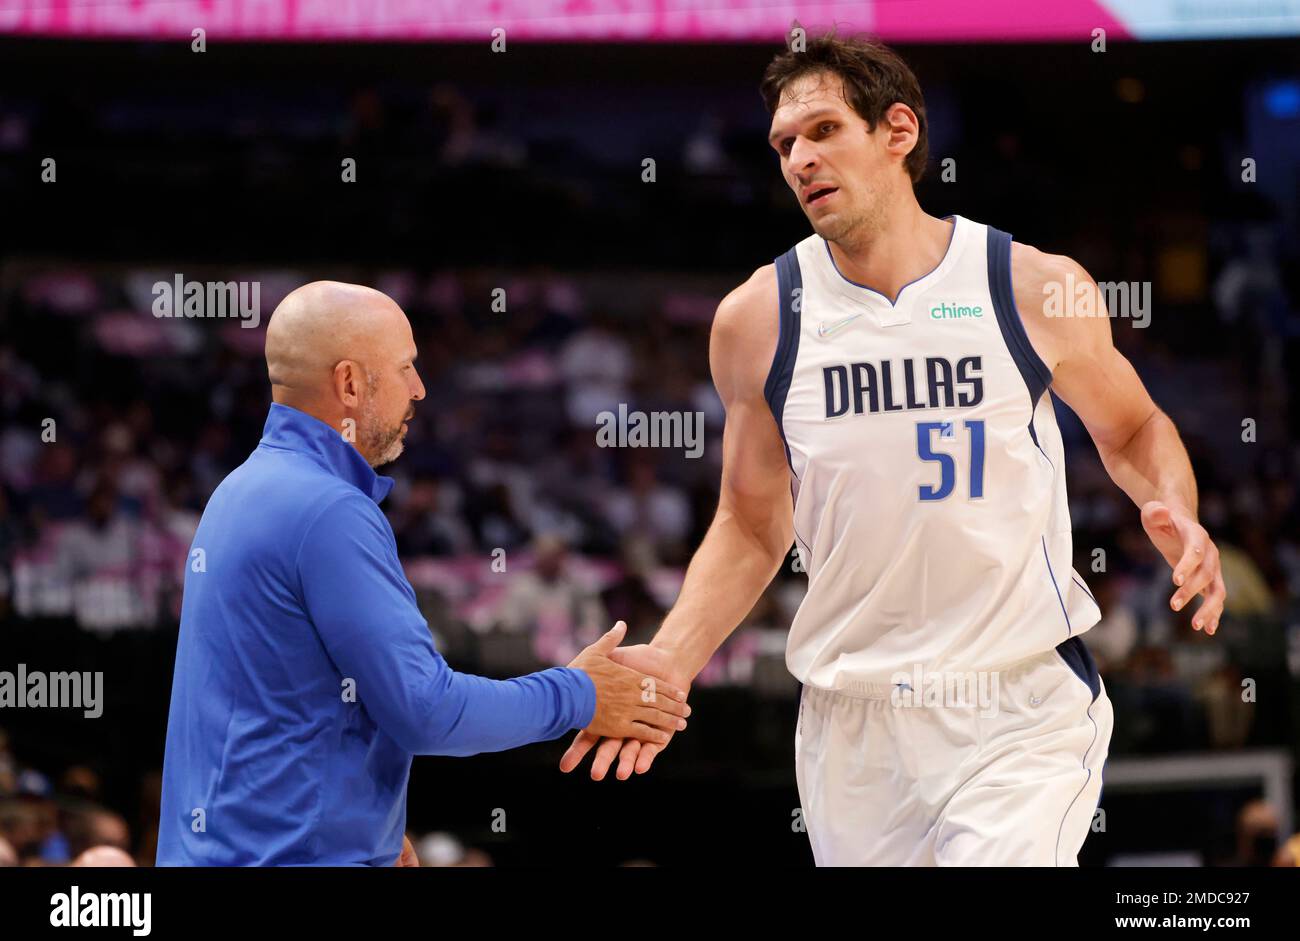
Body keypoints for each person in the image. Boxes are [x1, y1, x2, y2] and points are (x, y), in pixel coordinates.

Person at [562, 33, 1226, 867]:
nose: (799, 158)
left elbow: (1133, 426)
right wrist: (674, 658)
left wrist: (1181, 512)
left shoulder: (1029, 285)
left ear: (899, 132)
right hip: (853, 720)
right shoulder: (758, 319)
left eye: (822, 131)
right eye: (783, 145)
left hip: (1016, 700)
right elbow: (752, 522)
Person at [157, 281, 688, 866]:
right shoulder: (330, 512)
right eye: (406, 367)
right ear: (350, 383)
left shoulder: (238, 492)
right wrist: (580, 693)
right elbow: (426, 713)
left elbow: (266, 703)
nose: (419, 388)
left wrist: (371, 829)